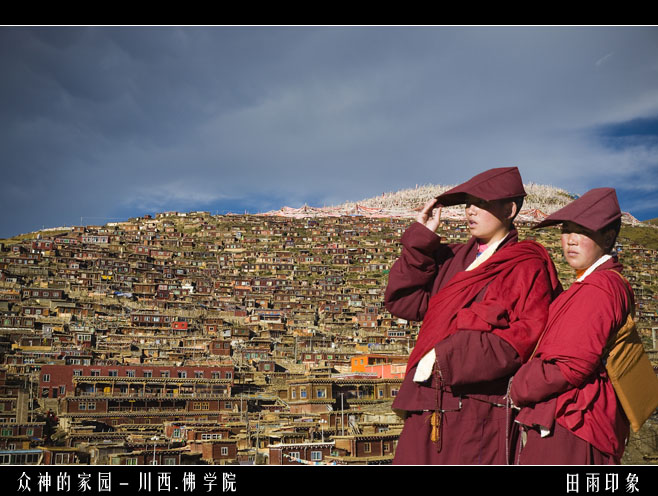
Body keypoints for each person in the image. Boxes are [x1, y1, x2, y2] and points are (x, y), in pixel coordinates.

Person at [385, 167, 561, 464]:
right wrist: (421, 242)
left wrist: (447, 357)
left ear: (510, 209)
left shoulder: (526, 265)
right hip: (427, 399)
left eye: (481, 203)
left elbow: (525, 337)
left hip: (479, 409)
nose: (470, 211)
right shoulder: (453, 260)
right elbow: (406, 302)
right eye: (468, 203)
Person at [509, 187, 634, 464]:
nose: (571, 240)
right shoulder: (592, 284)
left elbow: (570, 366)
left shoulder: (600, 287)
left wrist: (518, 385)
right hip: (574, 421)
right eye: (566, 229)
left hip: (575, 423)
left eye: (583, 231)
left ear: (609, 236)